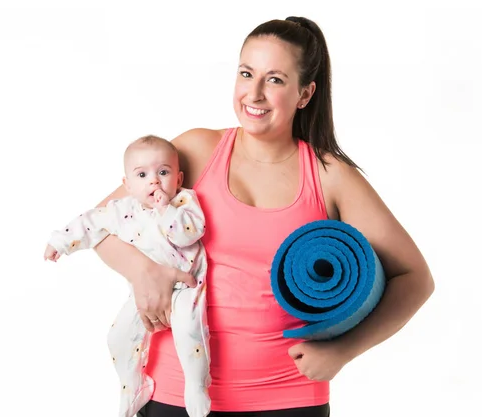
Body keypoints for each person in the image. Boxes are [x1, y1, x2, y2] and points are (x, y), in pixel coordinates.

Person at [93, 16, 435, 417]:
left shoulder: (330, 178)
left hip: (287, 399)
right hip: (174, 393)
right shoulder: (195, 152)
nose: (253, 93)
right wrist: (142, 271)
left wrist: (343, 351)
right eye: (246, 74)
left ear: (304, 94)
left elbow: (415, 279)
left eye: (274, 80)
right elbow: (100, 223)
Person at [44, 136, 212, 417]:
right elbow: (90, 222)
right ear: (128, 185)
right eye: (143, 175)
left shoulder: (184, 202)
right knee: (119, 336)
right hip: (144, 291)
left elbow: (189, 234)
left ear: (179, 177)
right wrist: (60, 241)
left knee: (188, 332)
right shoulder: (122, 210)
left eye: (163, 172)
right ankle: (133, 383)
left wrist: (165, 209)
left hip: (186, 287)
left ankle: (196, 386)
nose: (154, 182)